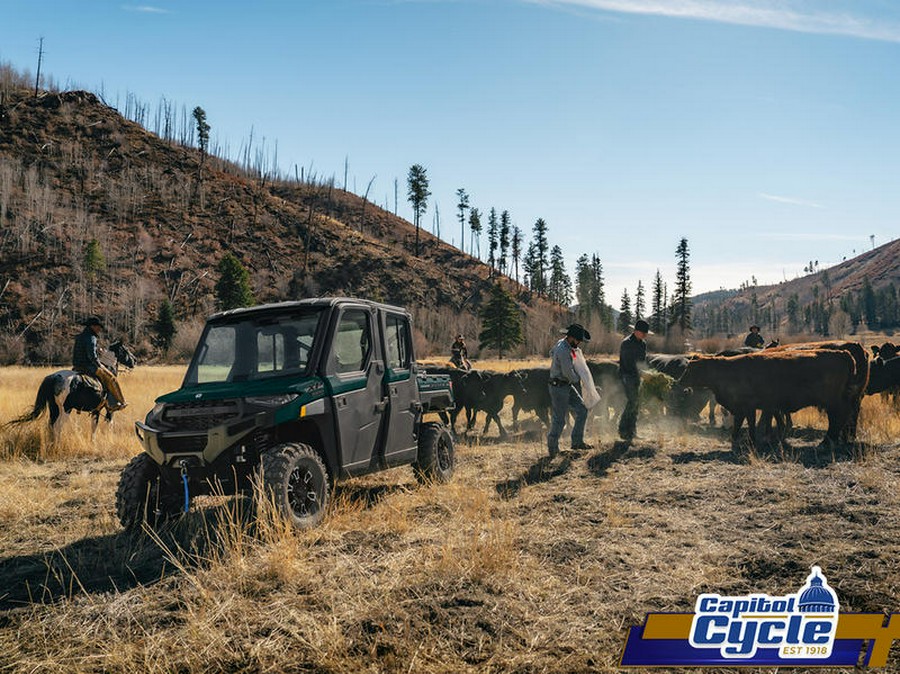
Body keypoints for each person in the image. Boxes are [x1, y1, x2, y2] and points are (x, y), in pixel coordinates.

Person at [547, 323, 594, 457]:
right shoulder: (563, 350)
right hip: (559, 387)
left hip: (565, 385)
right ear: (572, 338)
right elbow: (569, 374)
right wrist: (582, 376)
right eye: (578, 340)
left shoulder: (562, 344)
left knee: (582, 411)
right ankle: (552, 448)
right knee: (559, 419)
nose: (579, 343)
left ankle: (577, 442)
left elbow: (551, 353)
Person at [73, 316, 128, 411]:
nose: (99, 329)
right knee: (111, 379)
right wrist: (99, 364)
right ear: (92, 326)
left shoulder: (80, 336)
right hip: (88, 366)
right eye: (98, 327)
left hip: (77, 366)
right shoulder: (91, 337)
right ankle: (120, 402)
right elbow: (92, 356)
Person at [618, 319, 649, 441]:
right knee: (632, 401)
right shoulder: (627, 343)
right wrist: (641, 373)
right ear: (636, 331)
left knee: (636, 403)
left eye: (646, 333)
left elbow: (642, 361)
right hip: (627, 376)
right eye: (643, 333)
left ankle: (631, 431)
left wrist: (645, 371)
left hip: (637, 376)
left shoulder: (643, 344)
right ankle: (623, 429)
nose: (645, 335)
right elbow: (628, 363)